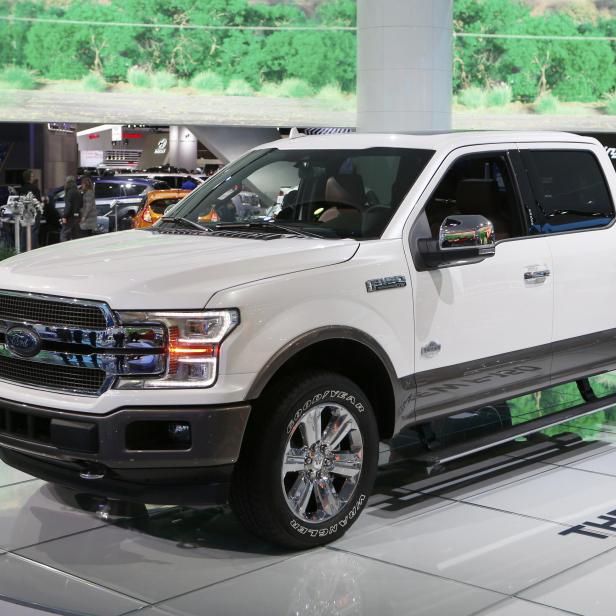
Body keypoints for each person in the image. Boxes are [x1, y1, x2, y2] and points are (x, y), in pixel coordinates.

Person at [17, 169, 42, 249]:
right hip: (34, 212)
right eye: (32, 176)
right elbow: (38, 202)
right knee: (33, 231)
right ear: (30, 177)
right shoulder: (35, 188)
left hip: (24, 212)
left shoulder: (21, 189)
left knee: (24, 231)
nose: (33, 177)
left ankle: (23, 249)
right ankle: (33, 249)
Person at [60, 176, 83, 241]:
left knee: (64, 235)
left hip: (70, 217)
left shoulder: (69, 192)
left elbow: (68, 206)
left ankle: (63, 249)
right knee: (75, 235)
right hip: (77, 215)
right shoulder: (78, 192)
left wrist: (64, 216)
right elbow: (81, 205)